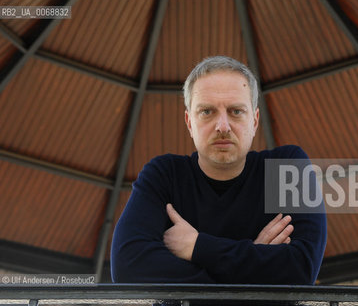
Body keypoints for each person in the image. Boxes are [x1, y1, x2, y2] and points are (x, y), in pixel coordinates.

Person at [111, 56, 327, 285]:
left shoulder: (286, 166)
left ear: (254, 121)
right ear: (189, 123)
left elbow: (301, 269)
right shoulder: (165, 175)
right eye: (207, 112)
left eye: (235, 111)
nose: (222, 126)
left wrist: (197, 246)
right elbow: (128, 267)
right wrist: (256, 265)